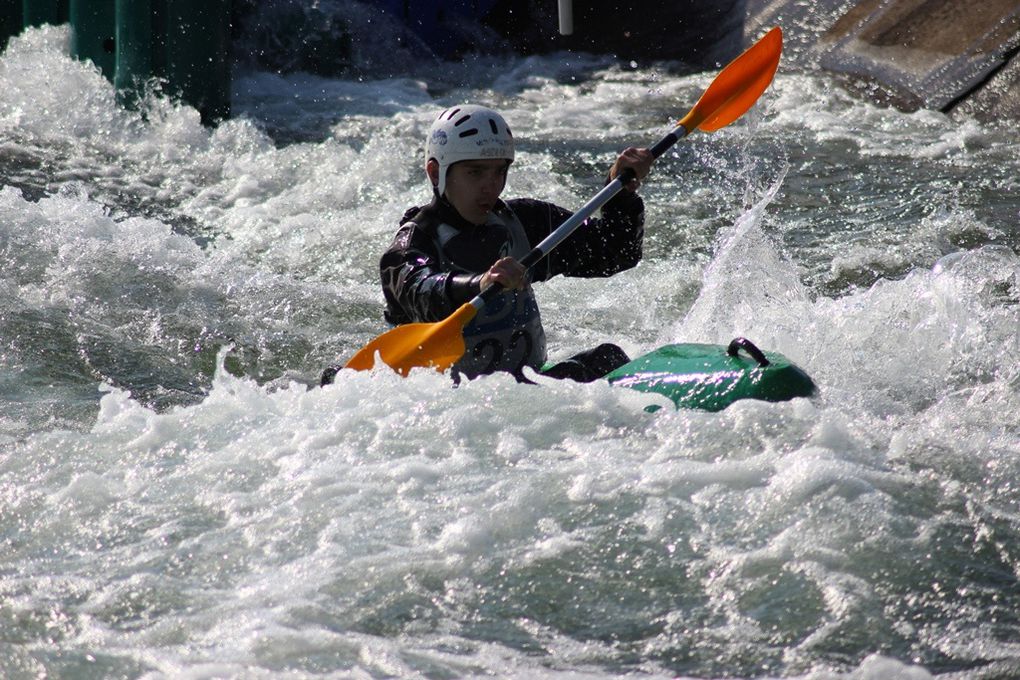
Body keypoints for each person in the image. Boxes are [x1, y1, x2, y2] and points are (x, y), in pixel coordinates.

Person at [328, 103, 653, 385]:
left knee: (608, 358)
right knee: (334, 377)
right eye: (475, 173)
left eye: (499, 172)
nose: (490, 187)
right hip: (444, 400)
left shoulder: (523, 223)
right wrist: (481, 283)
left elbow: (614, 253)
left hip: (524, 387)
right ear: (435, 172)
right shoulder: (412, 245)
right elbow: (422, 292)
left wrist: (620, 192)